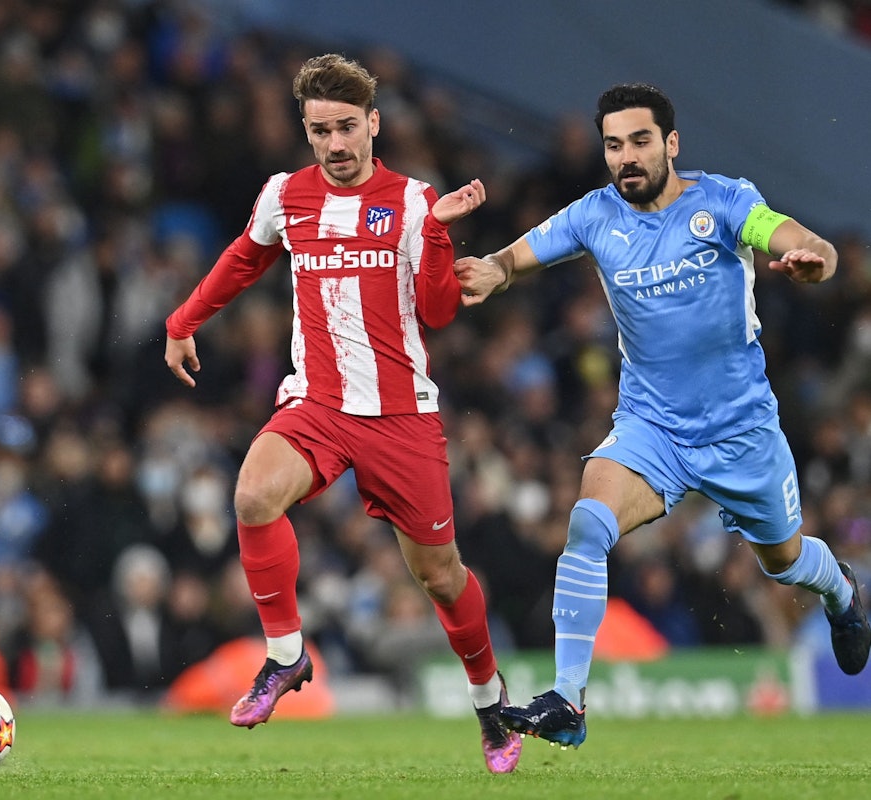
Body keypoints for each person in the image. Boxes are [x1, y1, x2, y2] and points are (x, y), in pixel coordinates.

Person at [455, 82, 871, 749]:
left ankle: (840, 592)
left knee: (785, 561)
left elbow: (795, 237)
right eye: (613, 145)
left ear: (670, 143)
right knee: (587, 524)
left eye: (640, 141)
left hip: (741, 431)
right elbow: (515, 258)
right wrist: (492, 271)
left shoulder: (724, 202)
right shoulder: (593, 215)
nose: (626, 156)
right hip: (653, 429)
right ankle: (569, 699)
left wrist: (812, 258)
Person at [165, 53, 521, 773]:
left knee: (440, 576)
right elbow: (243, 258)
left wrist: (440, 232)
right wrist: (183, 320)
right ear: (306, 131)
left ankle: (489, 700)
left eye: (346, 127)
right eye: (320, 130)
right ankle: (285, 655)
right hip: (318, 403)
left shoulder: (414, 202)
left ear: (373, 124)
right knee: (252, 495)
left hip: (399, 415)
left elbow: (438, 312)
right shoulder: (285, 195)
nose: (334, 143)